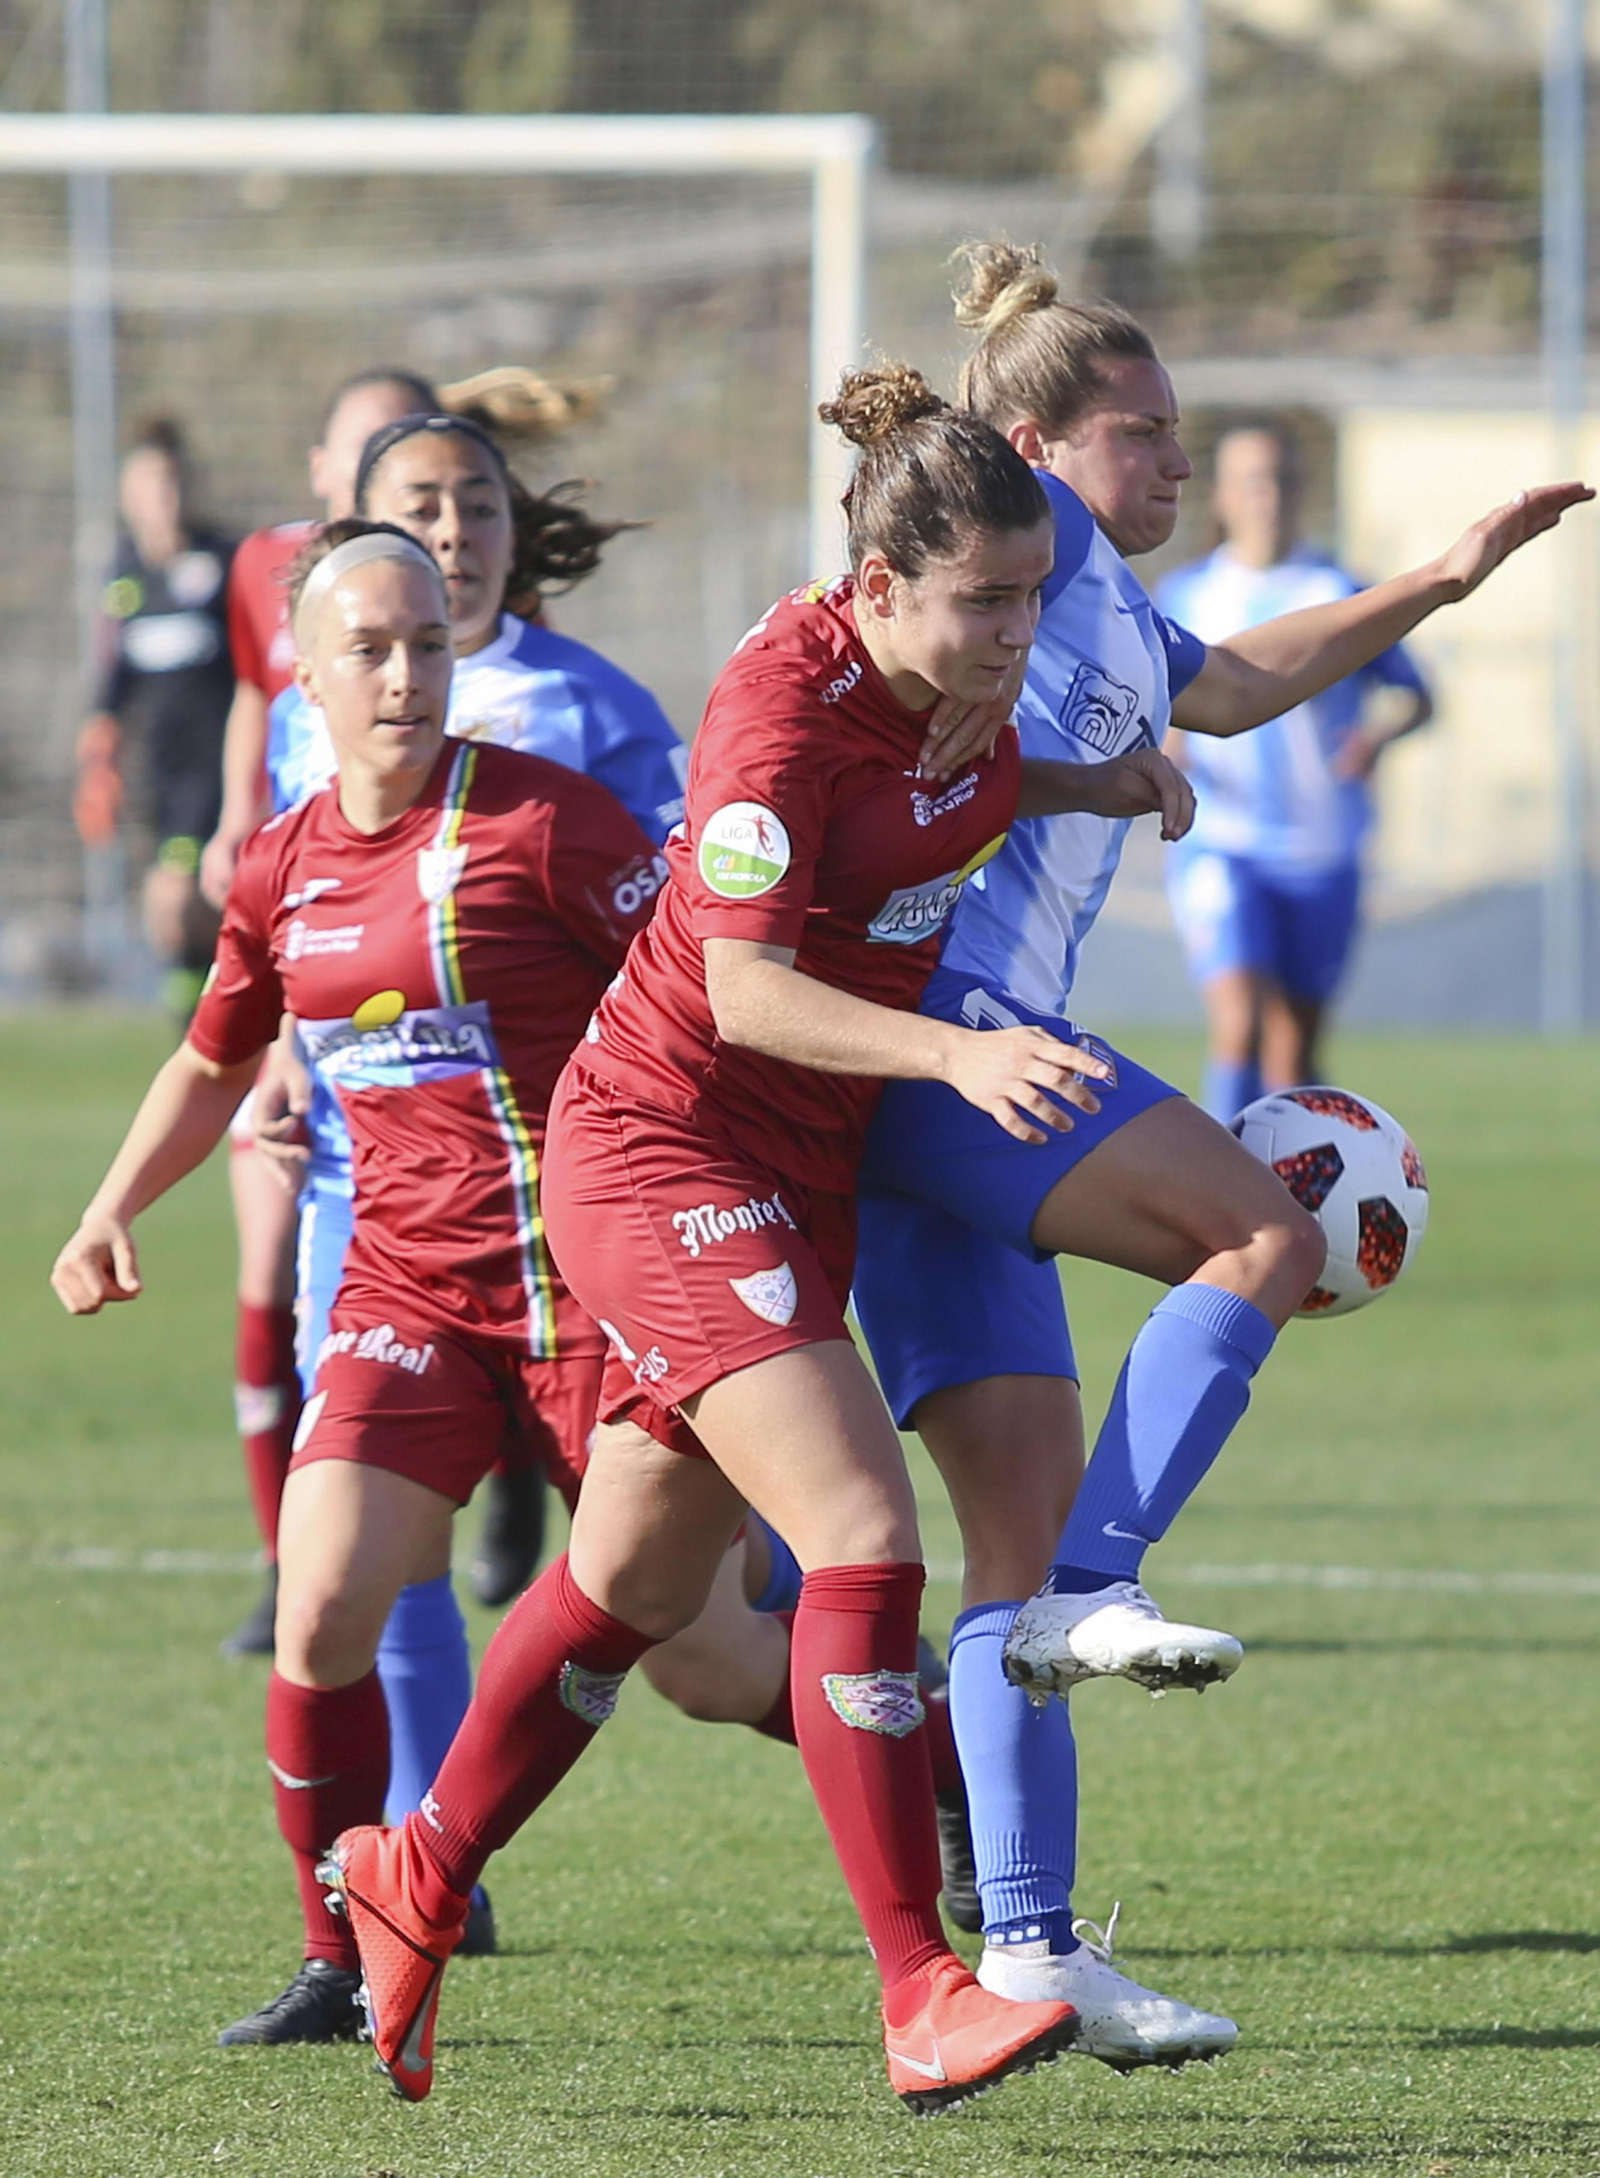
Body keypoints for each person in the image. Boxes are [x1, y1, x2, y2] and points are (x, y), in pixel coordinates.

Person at [316, 364, 1193, 2113]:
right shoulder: (775, 711)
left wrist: (1105, 783)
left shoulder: (958, 695)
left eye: (1032, 597)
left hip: (786, 1173)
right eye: (984, 603)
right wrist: (958, 1047)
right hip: (660, 1149)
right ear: (876, 591)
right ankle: (921, 1982)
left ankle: (414, 1866)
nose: (1017, 631)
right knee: (861, 1536)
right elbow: (741, 981)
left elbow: (972, 780)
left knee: (637, 1581)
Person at [847, 241, 1589, 2050]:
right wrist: (1089, 778)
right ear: (1031, 441)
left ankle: (1024, 1954)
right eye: (1144, 432)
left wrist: (1441, 576)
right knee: (1258, 1230)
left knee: (1001, 1556)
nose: (1178, 462)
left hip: (935, 1090)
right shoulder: (998, 581)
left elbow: (1240, 683)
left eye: (1182, 435)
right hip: (962, 1046)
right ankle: (1109, 1583)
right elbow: (881, 760)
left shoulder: (1089, 593)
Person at [50, 521, 671, 2052]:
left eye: (429, 647)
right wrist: (111, 1207)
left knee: (721, 1655)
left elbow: (698, 996)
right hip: (414, 1298)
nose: (405, 674)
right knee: (319, 1600)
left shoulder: (554, 827)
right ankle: (342, 1950)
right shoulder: (279, 863)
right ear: (307, 672)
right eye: (371, 650)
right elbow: (214, 1056)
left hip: (590, 1293)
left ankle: (926, 1774)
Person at [257, 409, 683, 1916]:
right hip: (381, 1230)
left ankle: (935, 1779)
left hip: (576, 1244)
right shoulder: (298, 748)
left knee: (698, 1646)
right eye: (418, 507)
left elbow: (697, 954)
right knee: (344, 1581)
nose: (451, 532)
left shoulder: (575, 735)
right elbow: (277, 929)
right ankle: (373, 1911)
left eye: (473, 504)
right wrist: (252, 1086)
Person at [207, 367, 441, 1663]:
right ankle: (281, 1562)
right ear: (322, 474)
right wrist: (228, 833)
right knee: (271, 1270)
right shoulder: (276, 587)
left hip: (480, 1116)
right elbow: (270, 740)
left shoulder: (451, 654)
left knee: (675, 1598)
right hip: (320, 1025)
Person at [1157, 422, 1434, 1118]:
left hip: (1320, 845)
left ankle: (1296, 1193)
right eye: (1251, 480)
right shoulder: (1185, 595)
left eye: (1280, 479)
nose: (1267, 496)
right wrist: (1165, 740)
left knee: (1292, 1051)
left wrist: (1377, 734)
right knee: (1239, 1018)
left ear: (1301, 490)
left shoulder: (1336, 588)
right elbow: (1138, 696)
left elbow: (1416, 696)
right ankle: (1219, 1190)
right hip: (1221, 840)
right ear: (1221, 495)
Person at [73, 418, 235, 1023]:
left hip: (219, 776)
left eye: (172, 481)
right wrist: (97, 761)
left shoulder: (223, 563)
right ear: (127, 494)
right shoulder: (125, 580)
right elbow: (112, 684)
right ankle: (205, 1034)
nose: (163, 496)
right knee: (181, 919)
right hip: (157, 778)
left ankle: (200, 1043)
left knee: (174, 901)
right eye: (148, 483)